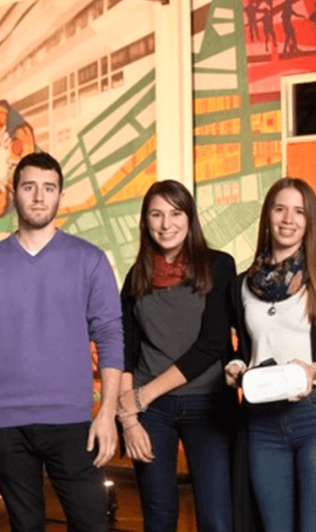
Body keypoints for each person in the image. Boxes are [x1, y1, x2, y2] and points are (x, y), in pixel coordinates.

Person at [0, 152, 124, 531]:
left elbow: (110, 336)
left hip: (72, 421)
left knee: (92, 524)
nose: (39, 197)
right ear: (13, 194)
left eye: (49, 188)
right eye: (29, 187)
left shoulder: (90, 260)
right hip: (6, 422)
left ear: (60, 196)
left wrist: (107, 414)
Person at [225, 178, 316, 531]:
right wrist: (237, 364)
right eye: (280, 209)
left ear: (309, 220)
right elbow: (246, 347)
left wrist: (314, 370)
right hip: (261, 422)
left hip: (314, 418)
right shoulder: (241, 285)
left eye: (299, 211)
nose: (288, 219)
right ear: (268, 216)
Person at [117, 180, 237, 532]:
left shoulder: (219, 265)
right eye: (156, 215)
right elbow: (125, 350)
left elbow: (212, 345)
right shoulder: (136, 276)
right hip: (152, 414)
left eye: (175, 213)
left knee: (217, 520)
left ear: (190, 218)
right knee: (159, 518)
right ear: (145, 222)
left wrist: (143, 396)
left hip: (208, 407)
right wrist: (130, 420)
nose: (166, 224)